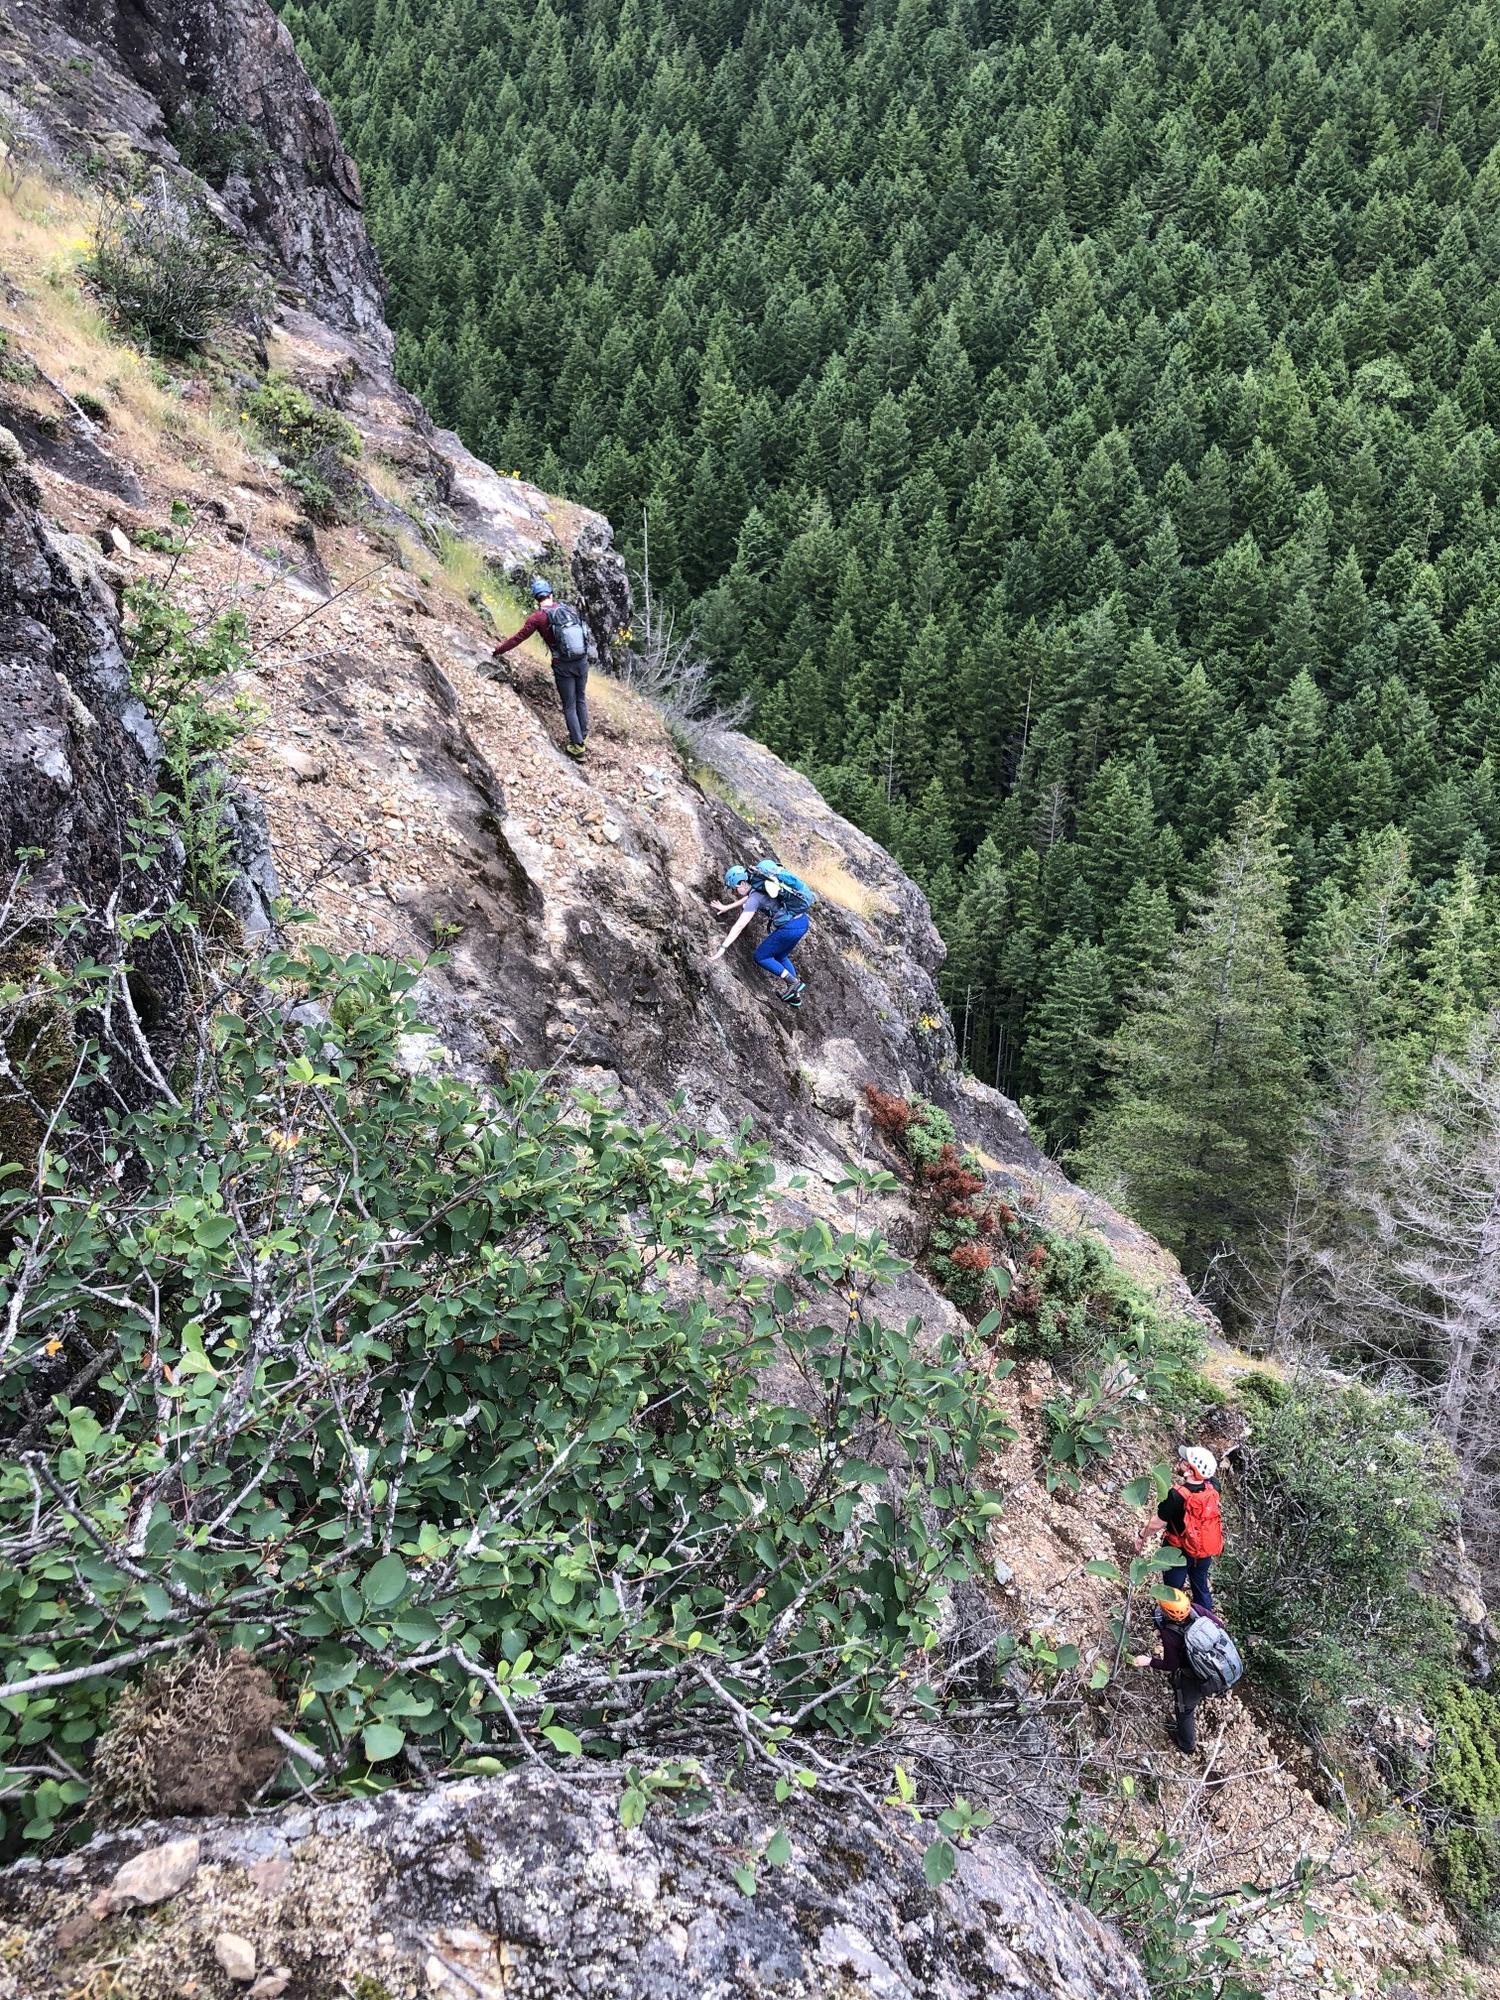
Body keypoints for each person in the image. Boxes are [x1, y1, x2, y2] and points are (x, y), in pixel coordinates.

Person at [492, 577, 592, 759]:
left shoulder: (537, 617)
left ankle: (578, 746)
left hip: (563, 666)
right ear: (551, 594)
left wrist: (498, 650)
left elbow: (518, 638)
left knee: (569, 705)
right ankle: (582, 735)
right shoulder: (567, 609)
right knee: (580, 699)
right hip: (582, 661)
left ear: (536, 598)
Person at [1137, 1584, 1231, 1754]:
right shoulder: (1196, 1610)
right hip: (1220, 1664)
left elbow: (1171, 1665)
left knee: (1185, 1709)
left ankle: (1187, 1744)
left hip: (1194, 1676)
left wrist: (1149, 1661)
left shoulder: (1170, 1633)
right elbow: (1220, 1624)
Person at [708, 862, 812, 1007]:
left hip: (789, 928)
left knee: (761, 956)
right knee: (780, 956)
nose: (733, 892)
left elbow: (740, 925)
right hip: (801, 922)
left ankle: (792, 982)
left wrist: (722, 948)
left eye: (734, 889)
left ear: (742, 883)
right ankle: (795, 996)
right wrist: (727, 907)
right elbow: (750, 897)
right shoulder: (761, 885)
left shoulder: (756, 895)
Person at [1133, 1443, 1223, 1609]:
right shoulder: (1214, 1488)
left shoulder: (1176, 1495)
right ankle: (1206, 1617)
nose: (1180, 1461)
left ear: (1190, 1470)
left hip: (1177, 1552)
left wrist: (1141, 1536)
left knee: (1172, 1591)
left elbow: (1157, 1524)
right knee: (1201, 1587)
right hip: (1203, 1551)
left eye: (1184, 1461)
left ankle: (1171, 1620)